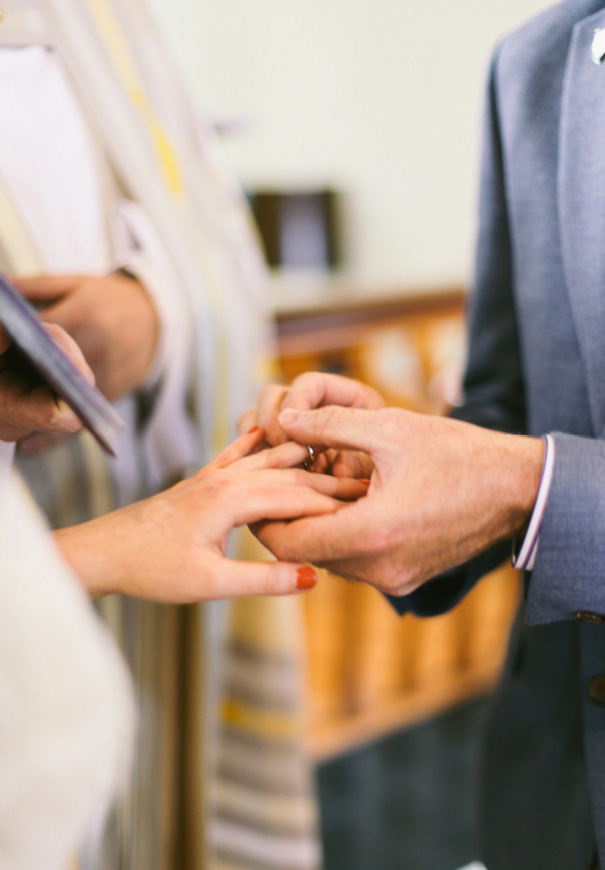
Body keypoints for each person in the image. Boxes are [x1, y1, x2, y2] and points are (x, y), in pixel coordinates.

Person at [243, 1, 605, 867]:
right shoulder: (534, 64)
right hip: (552, 789)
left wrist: (529, 486)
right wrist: (398, 461)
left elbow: (530, 474)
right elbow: (503, 406)